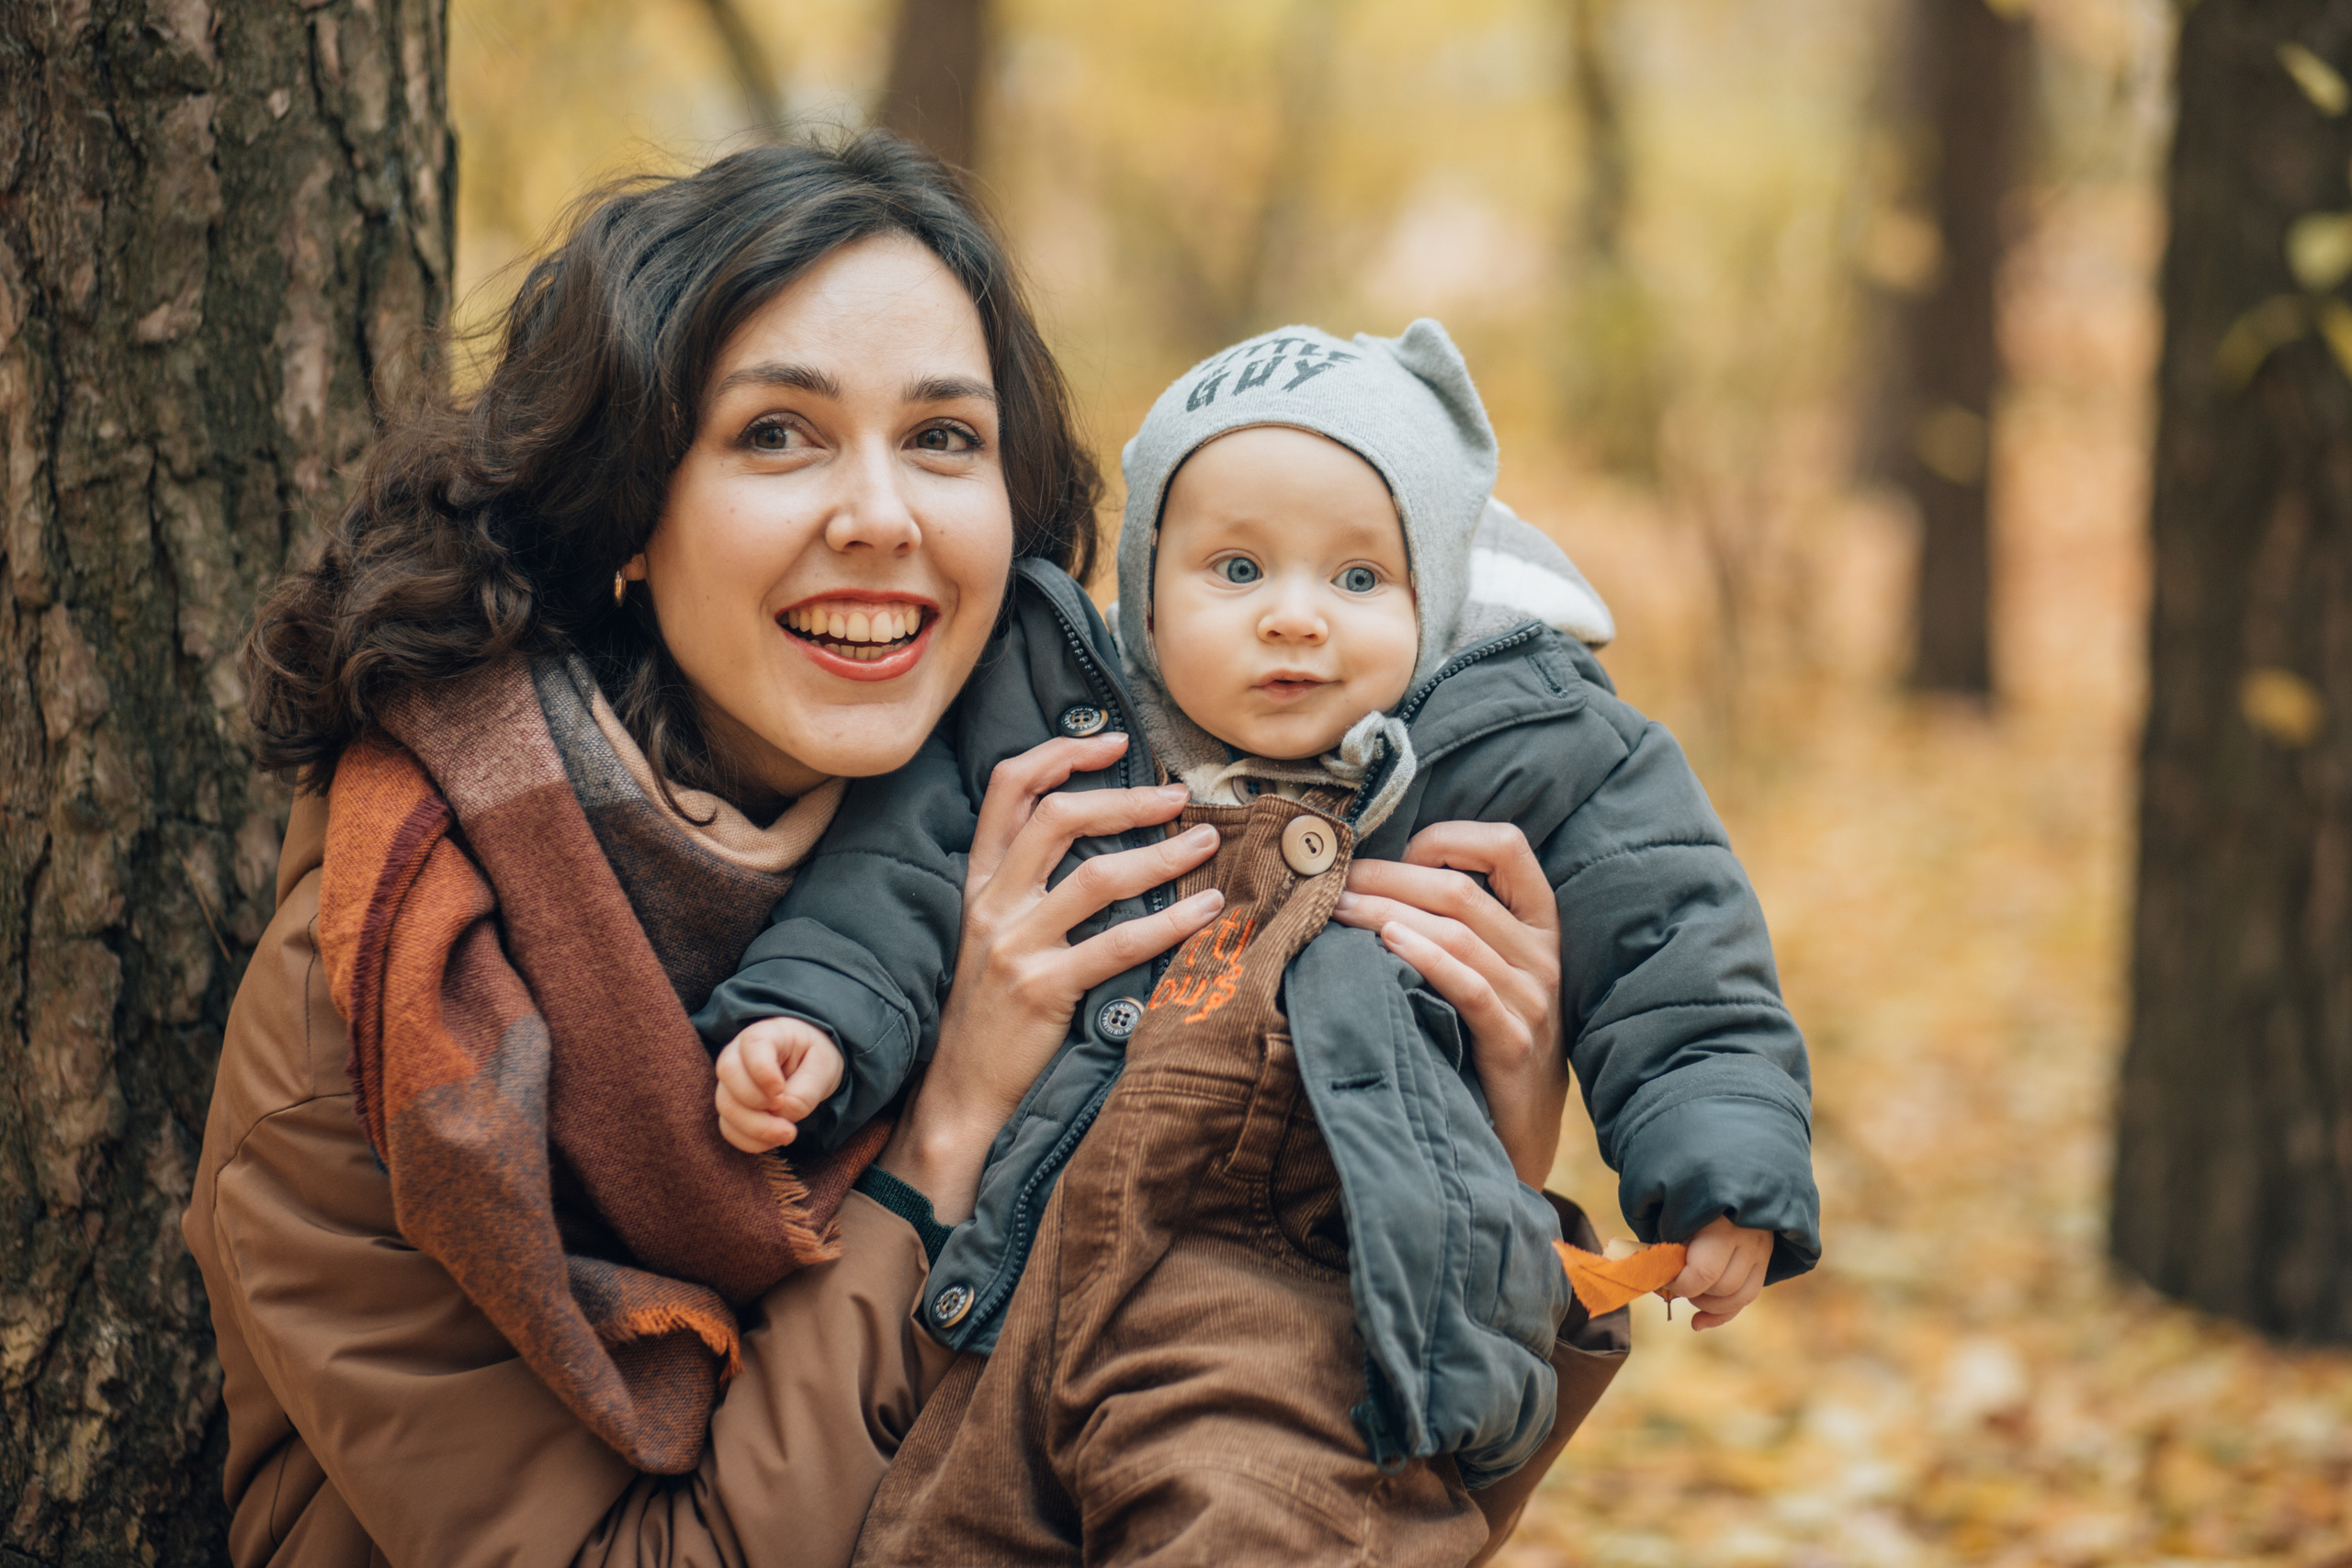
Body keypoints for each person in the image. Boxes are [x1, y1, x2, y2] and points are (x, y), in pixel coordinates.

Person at [185, 134, 1593, 1568]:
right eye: (777, 434)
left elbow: (1280, 1492)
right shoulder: (388, 992)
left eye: (943, 439)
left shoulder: (1089, 856)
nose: (882, 517)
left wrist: (1483, 1152)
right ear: (625, 513)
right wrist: (950, 1131)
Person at [701, 321, 1822, 1565]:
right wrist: (807, 1016)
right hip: (1011, 1303)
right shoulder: (1057, 728)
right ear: (1143, 589)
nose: (1296, 620)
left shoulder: (1527, 755)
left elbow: (1676, 949)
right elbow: (898, 874)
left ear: (1433, 600)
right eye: (1236, 572)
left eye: (1357, 580)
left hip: (1300, 1311)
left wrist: (1724, 1166)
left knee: (1257, 1526)